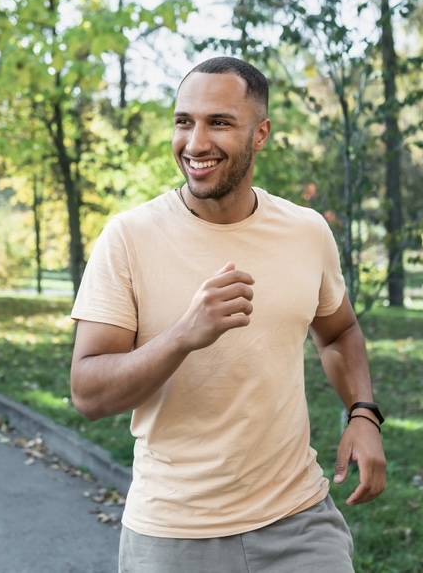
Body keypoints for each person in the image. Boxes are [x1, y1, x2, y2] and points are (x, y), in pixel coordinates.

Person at [69, 56, 386, 572]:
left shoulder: (306, 231)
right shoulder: (128, 238)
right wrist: (183, 335)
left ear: (260, 134)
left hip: (298, 521)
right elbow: (88, 392)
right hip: (173, 535)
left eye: (218, 122)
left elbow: (339, 331)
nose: (195, 143)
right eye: (183, 121)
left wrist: (364, 414)